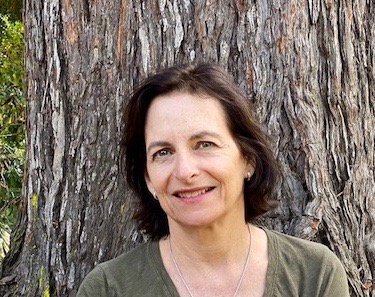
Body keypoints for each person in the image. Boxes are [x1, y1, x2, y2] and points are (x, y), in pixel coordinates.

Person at [77, 63, 350, 297]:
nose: (185, 171)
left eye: (204, 144)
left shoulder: (313, 274)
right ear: (148, 178)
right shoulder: (108, 287)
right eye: (163, 152)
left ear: (248, 159)